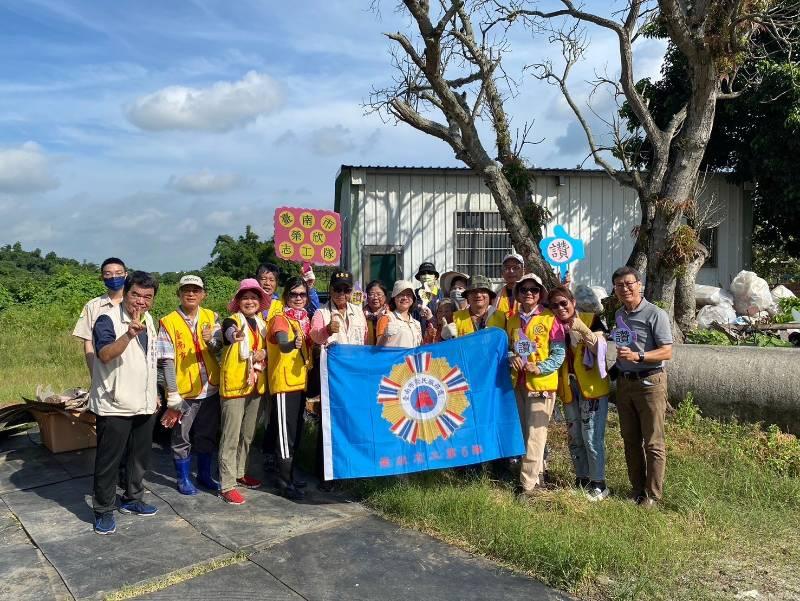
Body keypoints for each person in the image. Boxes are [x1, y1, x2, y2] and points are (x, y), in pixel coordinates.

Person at [89, 271, 160, 535]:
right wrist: (128, 335)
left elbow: (149, 360)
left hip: (143, 403)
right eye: (136, 295)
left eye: (147, 297)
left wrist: (155, 393)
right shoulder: (107, 319)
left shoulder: (149, 320)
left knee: (138, 457)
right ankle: (104, 509)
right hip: (114, 403)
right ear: (125, 293)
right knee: (109, 460)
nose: (141, 301)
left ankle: (132, 499)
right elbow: (105, 354)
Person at [611, 267, 673, 508]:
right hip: (625, 384)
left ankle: (653, 496)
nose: (624, 289)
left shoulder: (655, 314)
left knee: (653, 442)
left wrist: (639, 357)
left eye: (629, 284)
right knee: (630, 439)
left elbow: (667, 351)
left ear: (639, 285)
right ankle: (637, 490)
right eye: (619, 285)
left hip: (651, 383)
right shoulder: (619, 315)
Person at [156, 275, 223, 496]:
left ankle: (204, 474)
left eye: (196, 290)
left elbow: (218, 348)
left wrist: (210, 340)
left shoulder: (212, 317)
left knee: (207, 434)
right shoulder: (168, 321)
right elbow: (166, 359)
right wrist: (173, 393)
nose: (191, 294)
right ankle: (183, 478)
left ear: (203, 294)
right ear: (179, 293)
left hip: (210, 387)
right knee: (181, 436)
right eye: (186, 290)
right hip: (184, 391)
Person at [504, 273, 566, 499]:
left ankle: (527, 485)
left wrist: (540, 367)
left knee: (536, 435)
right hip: (518, 384)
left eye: (534, 289)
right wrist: (511, 356)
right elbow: (509, 348)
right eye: (523, 289)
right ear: (517, 293)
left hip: (541, 383)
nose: (529, 293)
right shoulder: (511, 320)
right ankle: (537, 475)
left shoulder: (551, 318)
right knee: (523, 433)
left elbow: (559, 354)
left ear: (541, 294)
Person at [549, 285, 611, 501]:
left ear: (573, 302)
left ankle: (599, 483)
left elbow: (601, 351)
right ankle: (582, 478)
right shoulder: (553, 326)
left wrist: (582, 330)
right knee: (575, 435)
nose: (560, 308)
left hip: (592, 388)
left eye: (563, 303)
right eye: (554, 305)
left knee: (592, 435)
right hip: (568, 387)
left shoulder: (590, 319)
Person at [310, 271, 367, 490]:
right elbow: (313, 336)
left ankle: (349, 469)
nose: (342, 294)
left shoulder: (358, 311)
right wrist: (326, 330)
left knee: (351, 423)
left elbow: (364, 341)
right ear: (331, 290)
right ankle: (326, 474)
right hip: (332, 378)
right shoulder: (321, 313)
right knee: (329, 425)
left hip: (354, 378)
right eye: (337, 289)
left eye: (346, 289)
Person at [218, 279, 269, 505]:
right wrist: (233, 336)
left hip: (256, 384)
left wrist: (263, 353)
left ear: (259, 302)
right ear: (238, 301)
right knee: (230, 435)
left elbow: (268, 347)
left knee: (247, 434)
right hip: (235, 385)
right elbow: (229, 332)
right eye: (245, 298)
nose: (249, 302)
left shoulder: (262, 323)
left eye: (254, 298)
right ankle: (227, 484)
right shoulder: (233, 321)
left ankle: (240, 472)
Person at [267, 277, 314, 500]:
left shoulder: (304, 320)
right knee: (286, 435)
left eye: (302, 294)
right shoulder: (280, 319)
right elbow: (282, 342)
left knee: (296, 432)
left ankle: (291, 475)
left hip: (299, 382)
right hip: (284, 384)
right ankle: (284, 481)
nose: (298, 298)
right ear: (286, 296)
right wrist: (290, 344)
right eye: (294, 294)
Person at [73, 257, 128, 376]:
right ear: (102, 277)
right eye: (108, 274)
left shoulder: (134, 304)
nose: (114, 277)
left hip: (128, 368)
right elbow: (88, 342)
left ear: (126, 275)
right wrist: (94, 373)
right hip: (102, 370)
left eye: (118, 273)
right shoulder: (92, 306)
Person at [257, 263, 285, 474]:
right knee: (252, 411)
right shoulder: (248, 301)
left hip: (274, 365)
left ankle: (270, 452)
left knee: (275, 412)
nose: (267, 283)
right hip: (252, 366)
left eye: (271, 279)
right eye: (263, 278)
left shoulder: (281, 304)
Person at [376, 280, 425, 348]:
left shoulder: (416, 324)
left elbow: (420, 348)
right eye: (401, 294)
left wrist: (430, 336)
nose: (405, 298)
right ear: (394, 298)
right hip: (394, 359)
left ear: (413, 299)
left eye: (408, 295)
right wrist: (385, 335)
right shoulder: (386, 319)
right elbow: (377, 348)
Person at [493, 252, 524, 318]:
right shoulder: (495, 296)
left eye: (515, 268)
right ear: (502, 272)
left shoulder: (532, 293)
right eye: (507, 268)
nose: (511, 271)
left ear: (524, 271)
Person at [413, 262, 443, 328]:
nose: (426, 276)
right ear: (419, 278)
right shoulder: (413, 295)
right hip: (417, 334)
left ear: (435, 277)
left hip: (438, 334)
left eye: (430, 273)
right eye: (423, 273)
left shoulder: (442, 294)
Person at [363, 280, 389, 345]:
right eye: (371, 294)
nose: (375, 298)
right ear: (367, 297)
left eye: (379, 294)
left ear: (385, 297)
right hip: (366, 352)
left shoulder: (390, 315)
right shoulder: (361, 315)